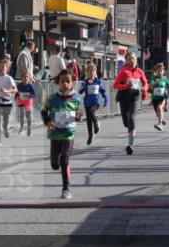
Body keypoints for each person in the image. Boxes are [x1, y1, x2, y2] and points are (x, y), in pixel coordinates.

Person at [41, 69, 82, 199]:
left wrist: (79, 117)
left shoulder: (76, 99)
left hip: (69, 134)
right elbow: (43, 111)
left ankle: (66, 188)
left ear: (72, 84)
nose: (65, 84)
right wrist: (48, 122)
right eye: (62, 81)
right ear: (58, 83)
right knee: (55, 164)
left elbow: (78, 115)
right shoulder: (52, 99)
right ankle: (62, 164)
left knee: (64, 160)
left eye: (67, 81)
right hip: (55, 135)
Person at [114, 52, 149, 154]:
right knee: (126, 121)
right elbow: (115, 85)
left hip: (135, 97)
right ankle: (129, 130)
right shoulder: (124, 71)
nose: (132, 60)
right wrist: (125, 86)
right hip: (124, 97)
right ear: (126, 60)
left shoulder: (139, 71)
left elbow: (146, 83)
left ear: (136, 59)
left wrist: (144, 89)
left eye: (133, 58)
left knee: (132, 118)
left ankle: (130, 145)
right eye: (129, 59)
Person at [79, 62, 107, 145]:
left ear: (95, 72)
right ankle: (90, 136)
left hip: (95, 103)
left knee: (92, 111)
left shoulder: (98, 82)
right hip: (87, 103)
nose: (91, 73)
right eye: (89, 71)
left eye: (93, 71)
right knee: (88, 121)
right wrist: (85, 85)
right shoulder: (85, 81)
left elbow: (103, 91)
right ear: (87, 72)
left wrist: (106, 99)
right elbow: (80, 91)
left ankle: (96, 123)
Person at [0, 59, 17, 147]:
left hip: (7, 102)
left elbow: (15, 89)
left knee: (5, 121)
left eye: (3, 66)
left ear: (7, 69)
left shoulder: (9, 78)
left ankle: (6, 128)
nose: (1, 68)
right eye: (0, 66)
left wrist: (7, 90)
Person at [149, 63, 169, 131]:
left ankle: (160, 124)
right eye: (158, 71)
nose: (160, 72)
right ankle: (162, 119)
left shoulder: (165, 79)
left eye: (161, 70)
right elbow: (151, 86)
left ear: (163, 71)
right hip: (155, 98)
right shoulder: (154, 78)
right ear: (155, 72)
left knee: (159, 108)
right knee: (158, 112)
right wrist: (156, 82)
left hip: (162, 98)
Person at [16, 70, 36, 137]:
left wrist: (28, 95)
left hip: (28, 101)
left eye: (27, 77)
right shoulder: (19, 85)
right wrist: (16, 96)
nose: (25, 78)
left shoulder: (30, 86)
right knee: (21, 115)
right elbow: (17, 93)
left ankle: (29, 129)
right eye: (24, 77)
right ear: (22, 78)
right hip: (21, 101)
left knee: (28, 116)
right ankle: (21, 128)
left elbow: (34, 95)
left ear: (29, 78)